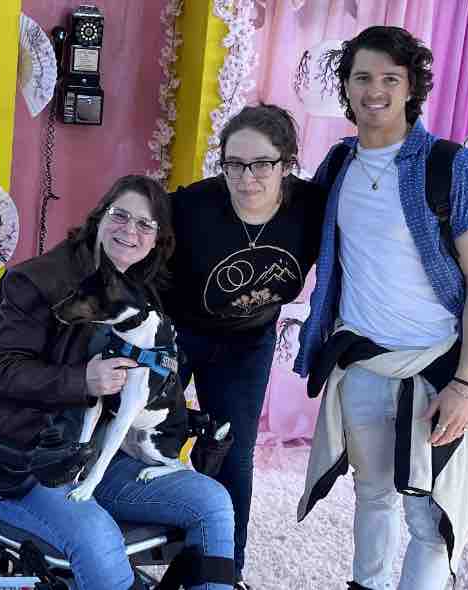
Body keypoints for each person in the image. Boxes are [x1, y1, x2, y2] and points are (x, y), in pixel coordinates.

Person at [294, 26, 468, 590]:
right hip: (362, 363)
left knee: (428, 520)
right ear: (346, 87)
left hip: (436, 368)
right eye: (362, 77)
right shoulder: (338, 164)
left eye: (391, 78)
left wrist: (466, 385)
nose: (375, 90)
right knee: (372, 496)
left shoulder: (453, 167)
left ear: (412, 88)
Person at [0, 175, 236, 590]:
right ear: (98, 218)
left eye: (145, 224)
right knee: (101, 539)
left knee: (212, 503)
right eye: (120, 216)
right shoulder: (33, 282)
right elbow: (3, 371)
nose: (130, 231)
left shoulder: (140, 297)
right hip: (28, 460)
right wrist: (82, 380)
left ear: (156, 240)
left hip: (100, 455)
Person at [163, 104, 328, 587]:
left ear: (287, 164)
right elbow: (127, 235)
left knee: (233, 454)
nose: (246, 178)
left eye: (261, 165)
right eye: (234, 164)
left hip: (246, 341)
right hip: (176, 333)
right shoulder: (192, 206)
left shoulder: (312, 209)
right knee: (151, 441)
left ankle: (224, 569)